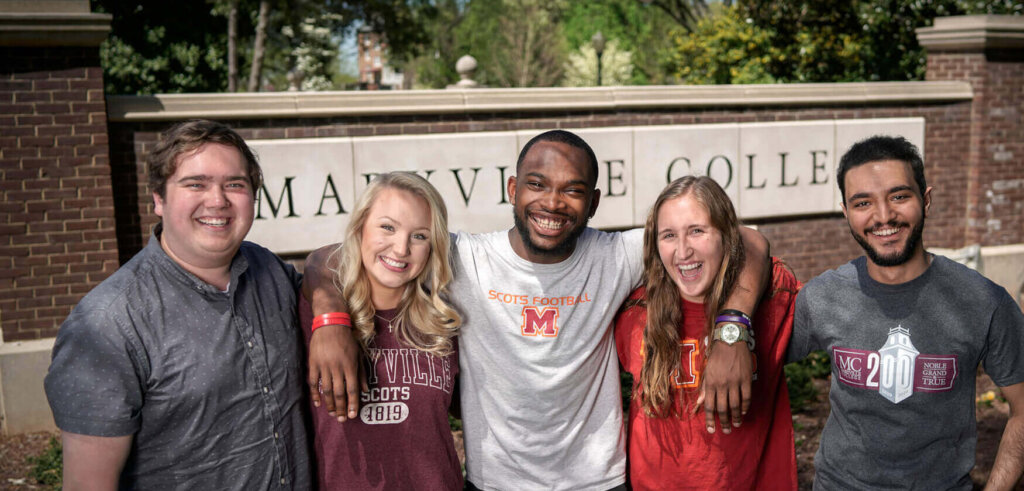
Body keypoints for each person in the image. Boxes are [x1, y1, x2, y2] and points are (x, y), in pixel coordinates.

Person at [305, 130, 771, 490]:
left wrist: (732, 328)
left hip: (597, 481)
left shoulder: (615, 255)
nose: (552, 202)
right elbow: (331, 255)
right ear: (512, 189)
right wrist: (330, 320)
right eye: (537, 184)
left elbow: (747, 239)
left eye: (572, 190)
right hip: (494, 482)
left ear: (593, 203)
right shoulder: (463, 257)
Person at [44, 120, 311, 489]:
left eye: (235, 184)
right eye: (195, 184)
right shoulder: (109, 324)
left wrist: (330, 320)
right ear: (158, 198)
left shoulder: (271, 272)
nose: (217, 200)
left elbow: (331, 265)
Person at [787, 135, 1024, 490]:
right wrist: (732, 329)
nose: (883, 216)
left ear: (925, 200)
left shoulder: (982, 301)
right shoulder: (823, 297)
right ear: (846, 212)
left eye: (899, 196)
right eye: (863, 202)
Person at [615, 176, 799, 490]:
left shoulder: (772, 296)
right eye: (669, 235)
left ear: (724, 235)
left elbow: (751, 238)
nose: (683, 251)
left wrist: (732, 326)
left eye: (697, 231)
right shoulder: (632, 312)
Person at [298, 172, 463, 489]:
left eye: (419, 236)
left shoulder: (445, 323)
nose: (401, 248)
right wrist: (331, 320)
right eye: (387, 227)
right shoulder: (310, 312)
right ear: (360, 228)